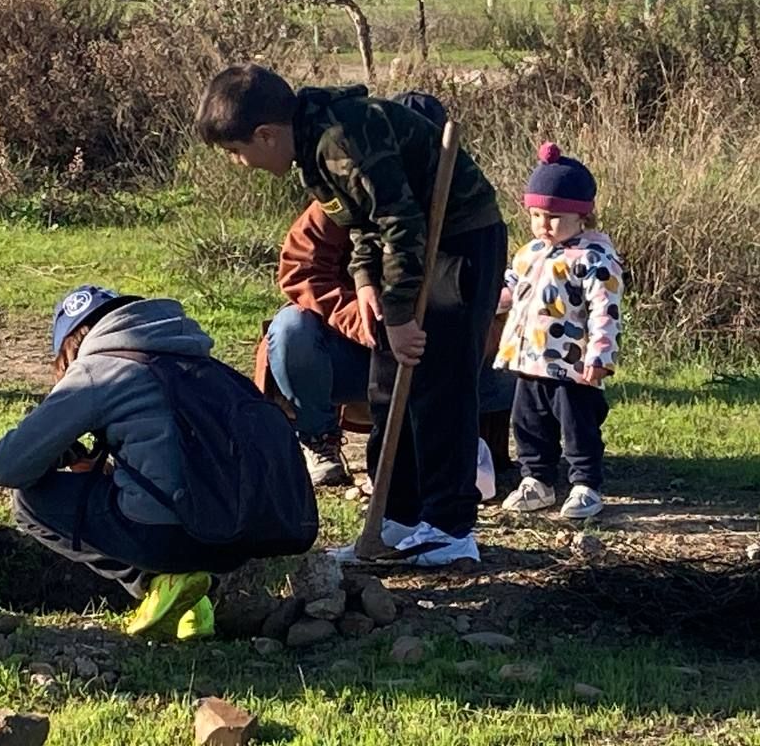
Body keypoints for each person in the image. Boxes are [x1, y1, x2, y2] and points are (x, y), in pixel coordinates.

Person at [197, 67, 506, 565]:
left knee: (438, 384)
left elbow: (401, 225)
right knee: (388, 386)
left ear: (266, 135)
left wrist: (401, 316)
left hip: (457, 242)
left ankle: (450, 529)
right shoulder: (314, 150)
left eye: (237, 152)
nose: (239, 163)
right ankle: (398, 517)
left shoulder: (339, 141)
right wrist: (365, 284)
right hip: (407, 255)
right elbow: (363, 223)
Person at [0, 286, 217, 640]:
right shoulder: (199, 358)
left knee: (29, 501)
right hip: (244, 531)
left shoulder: (99, 369)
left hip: (170, 533)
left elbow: (7, 467)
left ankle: (158, 583)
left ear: (69, 351)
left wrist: (57, 444)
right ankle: (197, 603)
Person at [252, 199, 517, 486]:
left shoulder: (460, 203)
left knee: (520, 366)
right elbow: (302, 270)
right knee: (292, 330)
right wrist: (367, 322)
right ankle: (319, 438)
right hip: (354, 348)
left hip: (433, 349)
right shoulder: (341, 199)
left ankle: (466, 449)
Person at [495, 144, 623, 520]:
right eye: (536, 215)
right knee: (528, 423)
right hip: (528, 361)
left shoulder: (593, 259)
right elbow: (511, 289)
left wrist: (600, 355)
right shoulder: (529, 252)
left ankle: (585, 483)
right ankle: (537, 479)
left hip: (572, 365)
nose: (543, 225)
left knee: (578, 424)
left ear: (581, 215)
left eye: (553, 216)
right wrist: (487, 304)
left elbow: (605, 310)